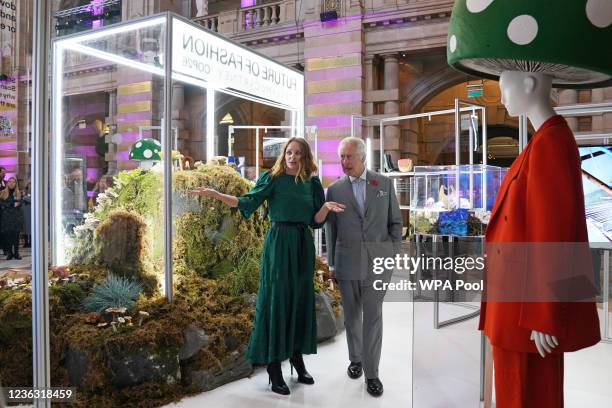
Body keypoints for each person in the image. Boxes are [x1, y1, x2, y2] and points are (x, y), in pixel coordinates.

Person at [189, 137, 344, 395]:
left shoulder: (312, 183)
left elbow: (315, 221)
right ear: (284, 155)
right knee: (278, 301)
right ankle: (274, 367)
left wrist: (326, 206)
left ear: (306, 157)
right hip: (279, 243)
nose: (292, 157)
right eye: (289, 152)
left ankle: (297, 358)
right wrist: (216, 195)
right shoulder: (271, 179)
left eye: (298, 153)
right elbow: (246, 202)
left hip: (303, 244)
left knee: (300, 300)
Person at [325, 137, 402, 397]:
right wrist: (332, 264)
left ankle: (372, 373)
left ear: (362, 157)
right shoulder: (334, 190)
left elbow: (395, 224)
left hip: (378, 263)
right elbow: (331, 230)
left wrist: (391, 254)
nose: (344, 162)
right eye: (342, 157)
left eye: (349, 157)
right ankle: (355, 359)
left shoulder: (383, 183)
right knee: (351, 316)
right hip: (346, 262)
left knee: (373, 317)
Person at [0, 177, 24, 260]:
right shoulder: (2, 193)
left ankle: (16, 253)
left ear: (15, 183)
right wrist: (11, 204)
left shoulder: (18, 193)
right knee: (8, 236)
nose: (11, 183)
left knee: (16, 236)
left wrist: (14, 204)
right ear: (7, 183)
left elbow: (20, 203)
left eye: (13, 182)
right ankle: (10, 253)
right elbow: (2, 205)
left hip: (16, 217)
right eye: (10, 181)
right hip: (6, 218)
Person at [21, 182, 31, 248]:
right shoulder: (24, 192)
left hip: (31, 211)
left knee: (30, 228)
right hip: (24, 211)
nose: (30, 187)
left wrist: (24, 197)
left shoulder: (36, 192)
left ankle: (31, 242)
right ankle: (26, 242)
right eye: (29, 185)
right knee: (25, 228)